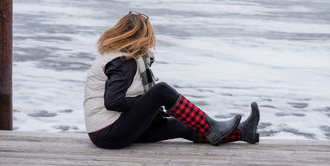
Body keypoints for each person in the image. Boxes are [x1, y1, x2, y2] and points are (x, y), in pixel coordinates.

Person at [83, 11, 260, 149]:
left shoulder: (119, 55)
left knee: (180, 125)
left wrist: (149, 111)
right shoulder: (123, 61)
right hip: (108, 133)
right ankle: (212, 126)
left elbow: (126, 98)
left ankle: (243, 133)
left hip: (110, 130)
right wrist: (148, 105)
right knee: (160, 91)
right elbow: (113, 102)